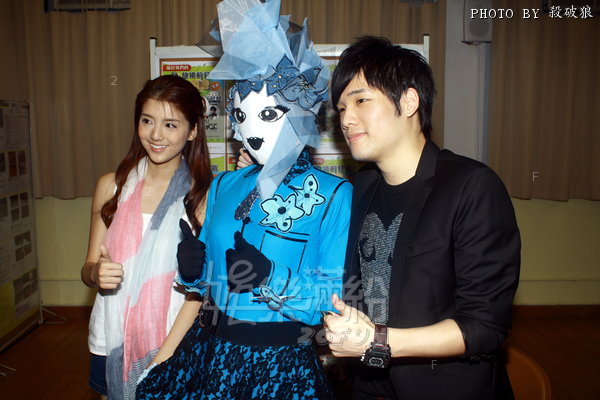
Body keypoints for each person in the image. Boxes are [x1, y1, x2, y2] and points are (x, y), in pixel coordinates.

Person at [136, 0, 351, 399]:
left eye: (267, 115)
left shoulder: (333, 194)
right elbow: (211, 281)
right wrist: (193, 271)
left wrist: (271, 277)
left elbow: (334, 300)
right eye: (241, 115)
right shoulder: (223, 185)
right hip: (208, 351)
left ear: (300, 114)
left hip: (278, 364)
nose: (250, 130)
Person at [322, 36, 521, 399]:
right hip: (368, 384)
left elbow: (484, 326)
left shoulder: (471, 186)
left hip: (444, 387)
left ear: (409, 101)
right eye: (341, 108)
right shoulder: (363, 185)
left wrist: (378, 340)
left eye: (361, 100)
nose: (346, 120)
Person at [80, 75, 212, 400]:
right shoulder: (111, 187)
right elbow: (88, 269)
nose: (155, 135)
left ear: (192, 130)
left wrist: (163, 357)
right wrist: (96, 273)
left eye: (170, 125)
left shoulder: (202, 198)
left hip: (172, 342)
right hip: (110, 339)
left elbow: (199, 291)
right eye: (147, 121)